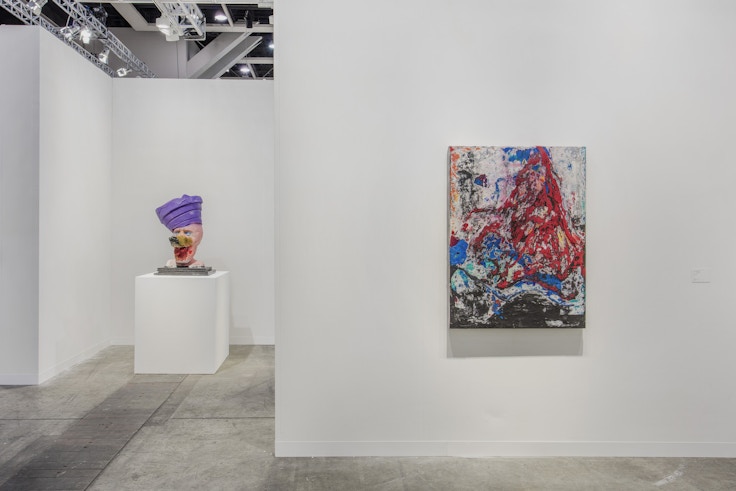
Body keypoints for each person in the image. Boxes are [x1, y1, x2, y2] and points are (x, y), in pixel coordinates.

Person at [155, 194, 206, 268]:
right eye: (177, 232)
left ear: (199, 237)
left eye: (187, 233)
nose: (180, 237)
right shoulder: (170, 263)